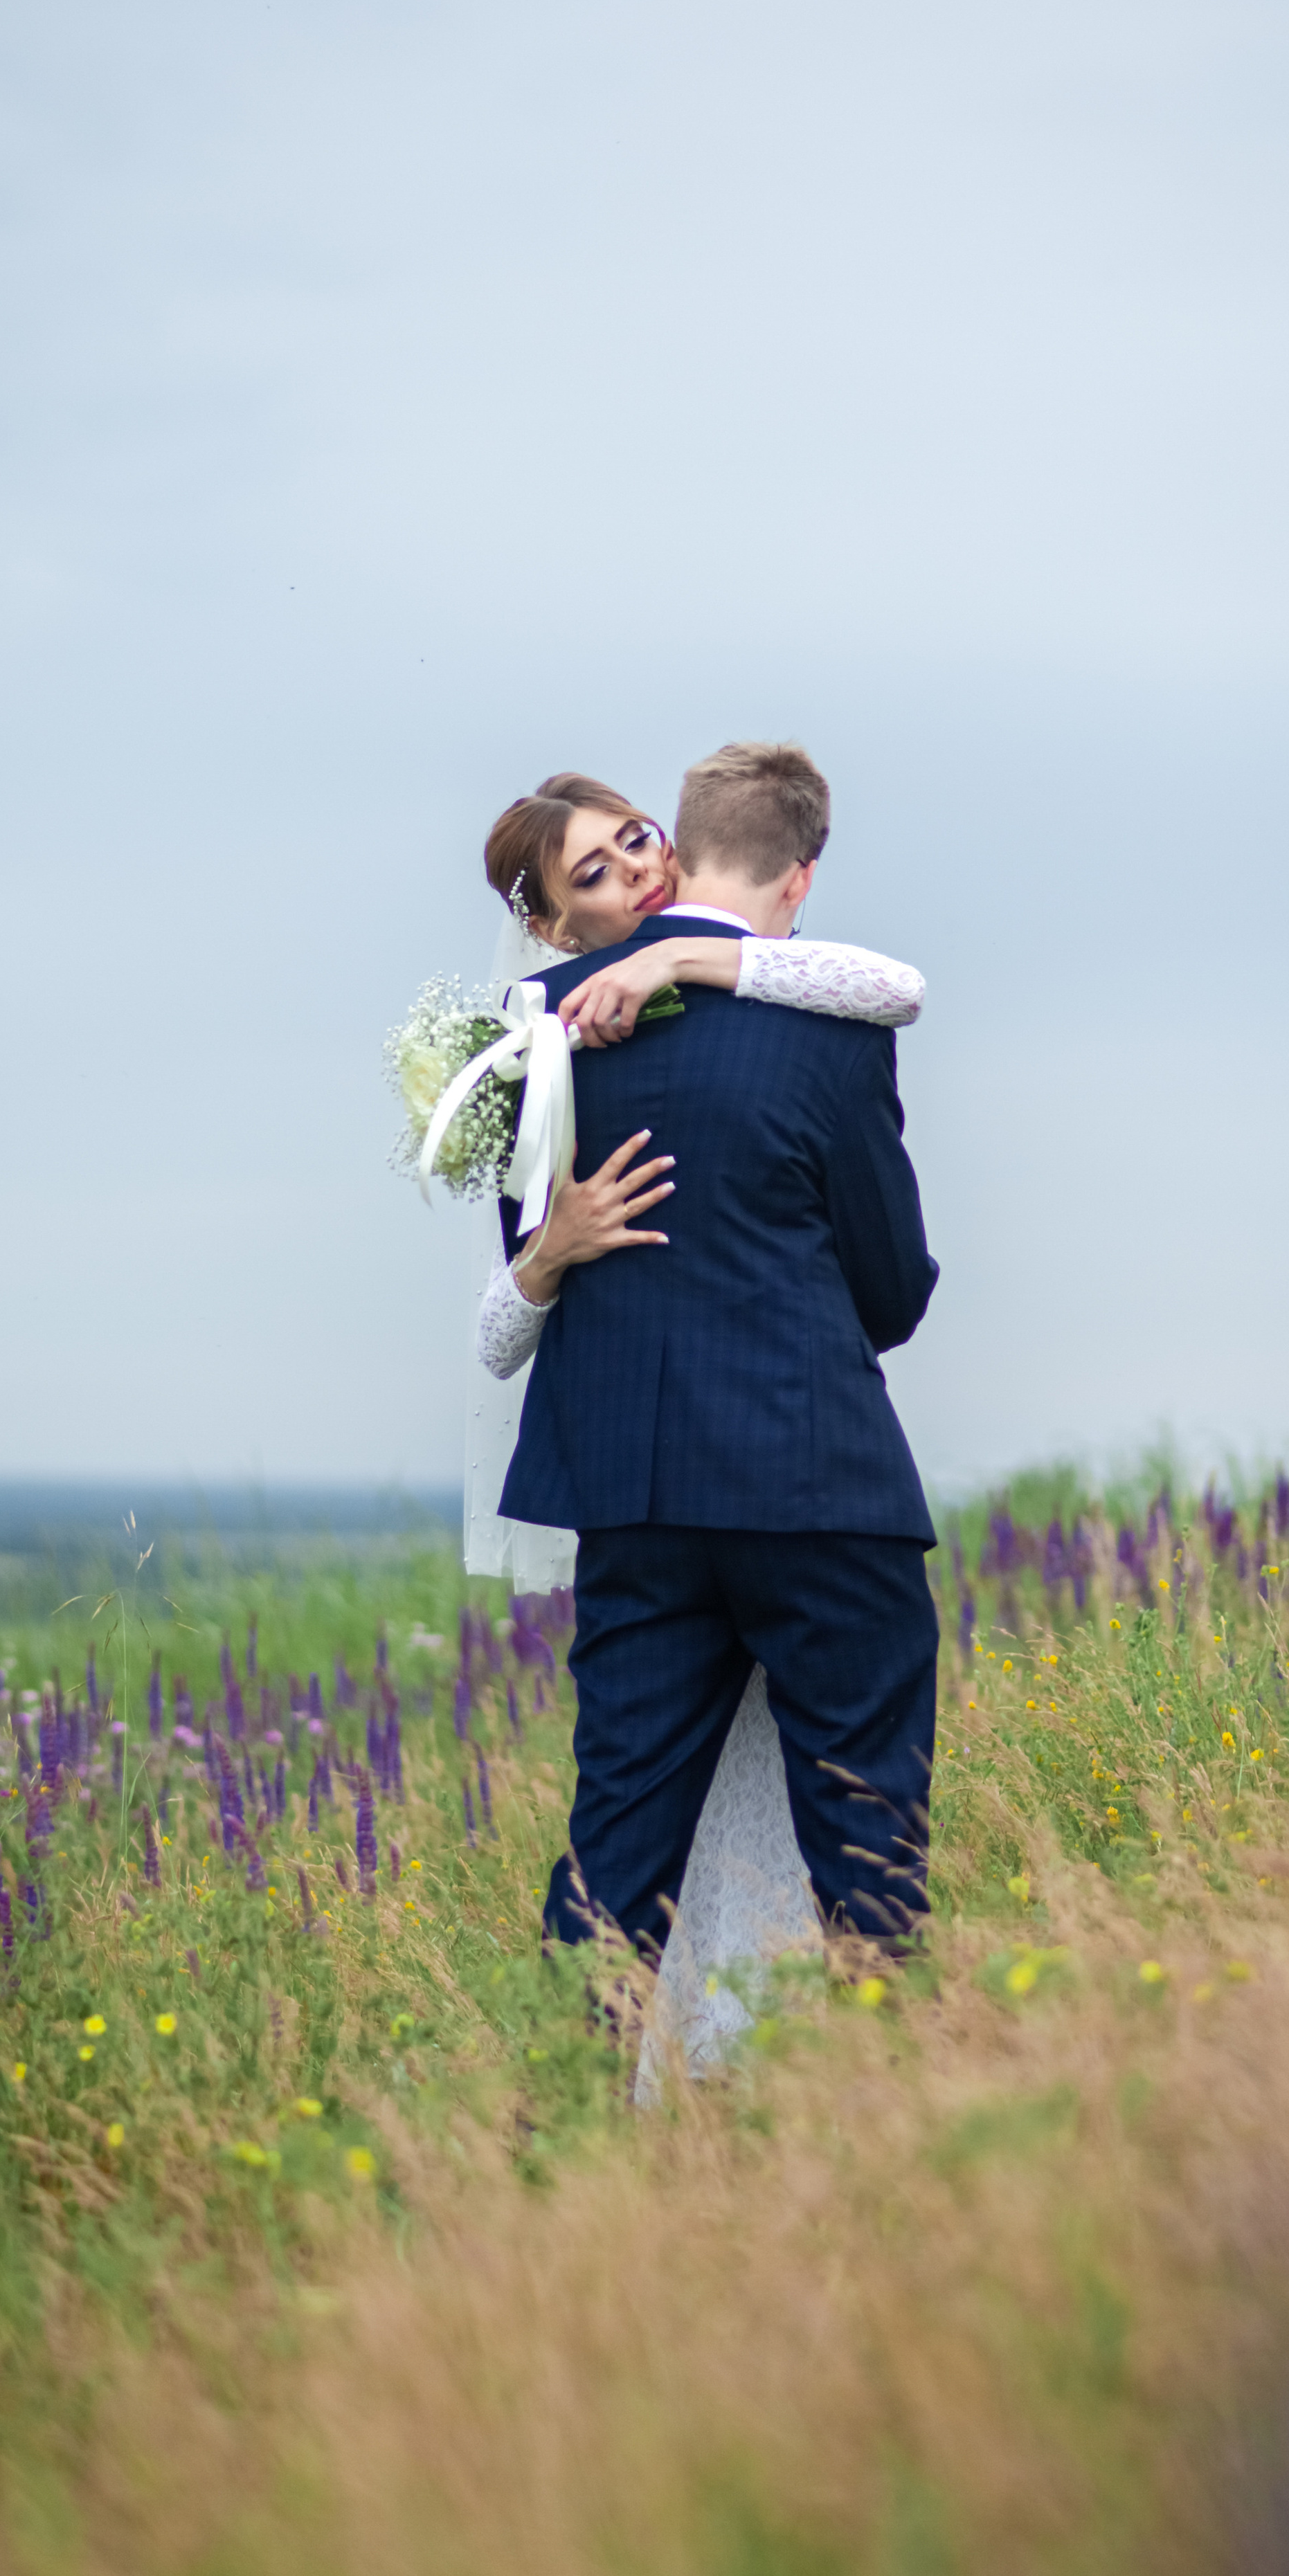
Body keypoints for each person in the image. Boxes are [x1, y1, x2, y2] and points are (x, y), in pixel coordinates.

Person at [482, 743, 939, 2061]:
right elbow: (893, 1289)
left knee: (615, 1855)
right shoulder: (829, 1026)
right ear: (801, 877)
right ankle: (877, 2109)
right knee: (868, 1838)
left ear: (672, 842)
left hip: (634, 1497)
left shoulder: (530, 1044)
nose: (632, 866)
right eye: (599, 862)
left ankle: (560, 2139)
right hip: (816, 1484)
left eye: (637, 841)